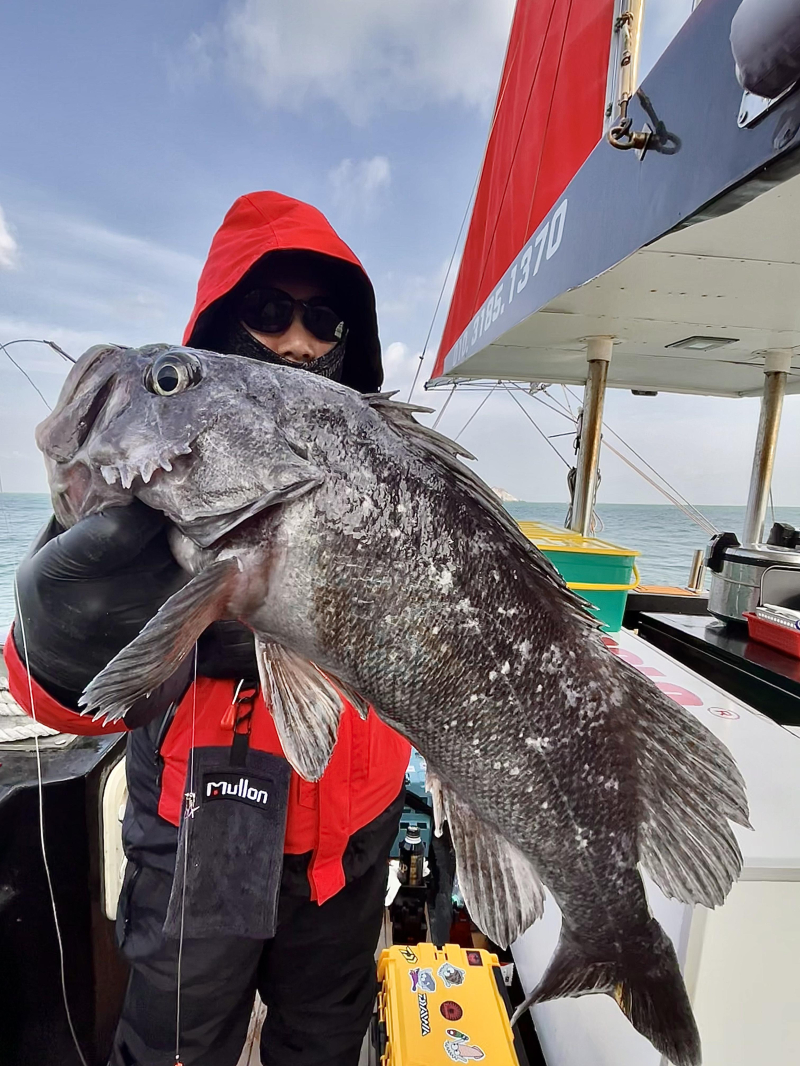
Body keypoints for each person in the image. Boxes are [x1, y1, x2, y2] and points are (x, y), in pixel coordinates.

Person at [4, 191, 411, 1066]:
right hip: (200, 825)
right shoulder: (159, 484)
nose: (301, 340)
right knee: (173, 1048)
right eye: (267, 312)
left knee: (326, 1040)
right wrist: (54, 638)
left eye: (325, 320)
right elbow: (64, 690)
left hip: (351, 838)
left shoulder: (392, 474)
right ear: (217, 328)